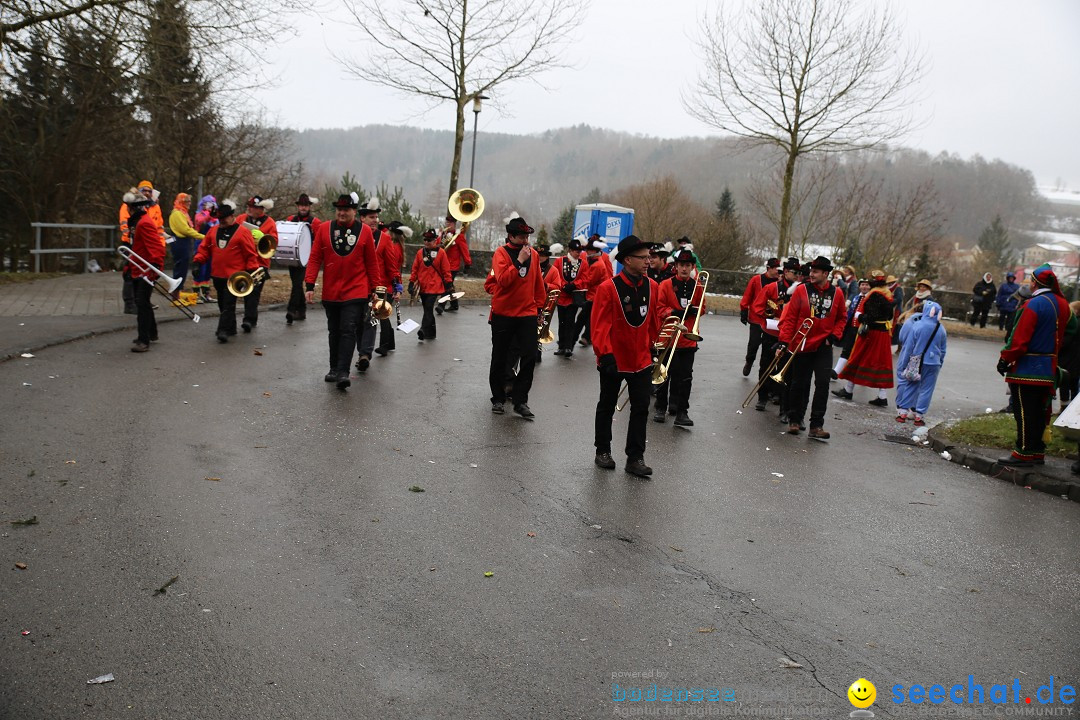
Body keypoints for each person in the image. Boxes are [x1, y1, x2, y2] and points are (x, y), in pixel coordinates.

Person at [592, 235, 665, 477]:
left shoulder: (653, 287)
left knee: (641, 408)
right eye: (643, 258)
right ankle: (602, 450)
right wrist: (606, 355)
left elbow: (653, 321)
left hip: (641, 360)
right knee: (606, 405)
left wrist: (656, 347)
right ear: (627, 260)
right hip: (614, 359)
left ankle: (635, 457)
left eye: (649, 257)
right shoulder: (607, 288)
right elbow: (599, 325)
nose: (648, 261)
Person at [996, 264, 1076, 466]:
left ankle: (1022, 452)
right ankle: (1037, 451)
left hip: (1027, 368)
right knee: (1041, 410)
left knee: (1024, 411)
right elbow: (1073, 328)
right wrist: (1055, 345)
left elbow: (1019, 339)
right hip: (1050, 367)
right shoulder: (1064, 304)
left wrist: (1005, 358)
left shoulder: (1032, 305)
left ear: (1034, 283)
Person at [304, 193, 382, 389]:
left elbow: (372, 264)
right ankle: (333, 368)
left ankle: (343, 372)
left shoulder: (364, 232)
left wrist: (376, 289)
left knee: (348, 330)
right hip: (331, 292)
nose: (341, 213)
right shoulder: (323, 229)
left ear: (354, 211)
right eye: (339, 209)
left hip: (356, 291)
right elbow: (314, 259)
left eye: (346, 209)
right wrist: (309, 285)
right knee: (334, 331)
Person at [777, 256, 845, 439]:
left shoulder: (837, 293)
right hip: (803, 343)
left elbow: (841, 318)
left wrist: (835, 335)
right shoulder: (801, 290)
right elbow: (791, 318)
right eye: (811, 271)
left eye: (815, 272)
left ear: (825, 273)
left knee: (822, 384)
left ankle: (816, 425)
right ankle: (795, 420)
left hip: (824, 345)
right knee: (799, 383)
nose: (811, 274)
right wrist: (784, 341)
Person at [488, 214, 546, 418]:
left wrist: (540, 309)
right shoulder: (501, 254)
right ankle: (498, 398)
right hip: (503, 313)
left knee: (529, 357)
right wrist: (519, 262)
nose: (525, 241)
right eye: (521, 237)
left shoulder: (535, 255)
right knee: (500, 358)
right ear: (511, 236)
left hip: (527, 313)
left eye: (527, 237)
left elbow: (538, 283)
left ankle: (521, 400)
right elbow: (503, 281)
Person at [191, 199, 259, 343]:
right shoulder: (213, 231)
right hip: (217, 275)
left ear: (232, 216)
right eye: (219, 219)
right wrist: (197, 262)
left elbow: (250, 255)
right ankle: (231, 327)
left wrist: (251, 273)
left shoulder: (243, 232)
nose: (221, 221)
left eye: (223, 218)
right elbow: (204, 248)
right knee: (222, 304)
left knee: (228, 303)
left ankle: (222, 330)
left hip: (235, 277)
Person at [654, 248, 704, 426]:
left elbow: (702, 308)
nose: (684, 268)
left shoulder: (697, 285)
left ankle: (682, 412)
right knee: (663, 373)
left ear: (692, 267)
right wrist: (674, 311)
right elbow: (659, 309)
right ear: (676, 266)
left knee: (685, 377)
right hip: (669, 335)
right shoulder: (666, 284)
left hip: (688, 338)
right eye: (681, 265)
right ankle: (660, 408)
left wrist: (695, 310)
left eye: (688, 265)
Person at [836, 270, 894, 406]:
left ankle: (848, 390)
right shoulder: (887, 293)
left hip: (872, 333)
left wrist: (859, 317)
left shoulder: (875, 295)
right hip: (883, 333)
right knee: (881, 363)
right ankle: (882, 395)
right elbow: (889, 316)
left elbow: (872, 317)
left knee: (858, 358)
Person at [753, 257, 800, 413]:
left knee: (786, 367)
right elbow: (757, 306)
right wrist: (768, 315)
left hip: (790, 334)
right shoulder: (772, 287)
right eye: (795, 272)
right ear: (786, 272)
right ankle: (762, 396)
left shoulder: (800, 290)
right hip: (772, 331)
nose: (798, 275)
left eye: (800, 272)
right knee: (766, 364)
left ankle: (780, 395)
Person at [895, 300, 947, 426]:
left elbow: (909, 347)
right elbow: (943, 349)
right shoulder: (941, 329)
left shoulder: (917, 326)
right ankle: (919, 415)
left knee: (911, 385)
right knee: (927, 389)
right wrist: (940, 362)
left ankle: (903, 412)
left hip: (917, 361)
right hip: (933, 363)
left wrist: (904, 363)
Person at [124, 191, 162, 352]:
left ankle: (143, 340)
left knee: (142, 304)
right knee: (144, 302)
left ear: (133, 208)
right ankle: (151, 333)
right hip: (138, 268)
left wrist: (154, 268)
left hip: (146, 270)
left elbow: (156, 248)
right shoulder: (137, 222)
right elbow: (135, 249)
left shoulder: (144, 223)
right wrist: (128, 267)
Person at [235, 196, 278, 333]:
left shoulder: (270, 223)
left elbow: (274, 243)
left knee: (254, 292)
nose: (249, 209)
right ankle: (249, 317)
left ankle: (249, 320)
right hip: (243, 261)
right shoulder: (241, 218)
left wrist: (262, 237)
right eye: (249, 206)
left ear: (260, 209)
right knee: (246, 290)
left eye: (252, 207)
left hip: (260, 263)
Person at [545, 237, 592, 358]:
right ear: (570, 250)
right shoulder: (560, 261)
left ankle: (568, 347)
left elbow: (586, 278)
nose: (578, 253)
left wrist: (574, 285)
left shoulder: (583, 263)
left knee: (570, 322)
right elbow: (554, 275)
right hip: (561, 297)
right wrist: (564, 285)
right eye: (576, 251)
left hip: (573, 297)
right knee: (562, 322)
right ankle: (561, 346)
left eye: (580, 251)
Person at [285, 193, 322, 325]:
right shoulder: (290, 219)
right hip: (292, 257)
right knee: (297, 284)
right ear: (298, 206)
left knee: (296, 284)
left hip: (307, 259)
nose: (303, 208)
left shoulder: (315, 222)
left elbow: (319, 242)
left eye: (305, 205)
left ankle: (291, 310)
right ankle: (302, 311)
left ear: (309, 207)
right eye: (301, 205)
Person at [739, 258, 781, 376]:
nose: (779, 271)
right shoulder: (756, 280)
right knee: (753, 343)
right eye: (776, 269)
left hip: (772, 321)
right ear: (769, 268)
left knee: (769, 348)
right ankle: (749, 361)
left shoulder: (779, 282)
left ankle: (766, 371)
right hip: (756, 318)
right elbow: (748, 295)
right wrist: (744, 310)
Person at [354, 197, 382, 371]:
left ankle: (365, 354)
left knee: (371, 321)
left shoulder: (384, 239)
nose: (375, 220)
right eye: (371, 217)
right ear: (362, 218)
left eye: (376, 217)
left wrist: (396, 285)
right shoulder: (354, 235)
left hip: (376, 287)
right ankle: (361, 352)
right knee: (357, 323)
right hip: (357, 287)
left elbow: (392, 264)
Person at [410, 228, 452, 341]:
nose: (427, 242)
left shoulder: (442, 253)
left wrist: (449, 284)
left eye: (429, 240)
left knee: (428, 308)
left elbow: (446, 270)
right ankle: (431, 333)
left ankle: (423, 330)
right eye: (425, 239)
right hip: (422, 287)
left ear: (435, 240)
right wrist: (411, 282)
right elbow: (415, 269)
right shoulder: (420, 253)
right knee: (427, 310)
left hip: (435, 287)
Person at [375, 220, 409, 355]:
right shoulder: (397, 245)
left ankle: (384, 345)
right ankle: (390, 343)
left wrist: (397, 288)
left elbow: (392, 269)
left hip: (386, 284)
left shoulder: (393, 246)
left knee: (382, 314)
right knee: (383, 314)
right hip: (387, 284)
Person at [167, 193, 204, 299]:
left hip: (183, 242)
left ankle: (178, 291)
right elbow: (186, 230)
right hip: (179, 242)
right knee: (180, 267)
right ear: (181, 202)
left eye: (189, 201)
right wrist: (203, 237)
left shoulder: (182, 213)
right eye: (187, 201)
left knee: (183, 267)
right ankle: (176, 292)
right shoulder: (177, 214)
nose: (189, 203)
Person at [832, 277, 870, 381]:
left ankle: (861, 376)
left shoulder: (871, 298)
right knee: (846, 349)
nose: (864, 287)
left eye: (867, 285)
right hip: (852, 328)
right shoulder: (856, 297)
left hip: (863, 330)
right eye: (862, 284)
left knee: (860, 354)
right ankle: (836, 371)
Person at [579, 235, 613, 347]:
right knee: (585, 315)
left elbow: (609, 272)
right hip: (585, 290)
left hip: (597, 291)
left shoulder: (605, 257)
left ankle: (585, 336)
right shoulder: (583, 255)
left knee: (590, 316)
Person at [438, 215, 472, 313]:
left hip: (453, 265)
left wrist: (467, 264)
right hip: (443, 264)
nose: (448, 225)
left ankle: (441, 305)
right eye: (447, 223)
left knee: (446, 284)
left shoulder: (459, 236)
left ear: (454, 224)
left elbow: (464, 250)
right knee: (449, 285)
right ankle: (454, 304)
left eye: (450, 223)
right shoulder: (444, 234)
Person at [192, 196, 217, 302]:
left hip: (211, 245)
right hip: (201, 243)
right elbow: (200, 222)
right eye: (208, 203)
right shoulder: (200, 214)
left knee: (208, 270)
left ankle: (206, 293)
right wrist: (207, 212)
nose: (211, 205)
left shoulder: (214, 217)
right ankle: (196, 294)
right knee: (200, 269)